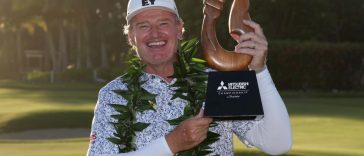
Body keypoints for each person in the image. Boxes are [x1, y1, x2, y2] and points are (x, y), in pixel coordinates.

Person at [87, 0, 292, 155]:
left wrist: (260, 71)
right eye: (143, 26)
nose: (155, 34)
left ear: (179, 29)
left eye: (163, 23)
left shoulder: (218, 83)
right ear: (131, 36)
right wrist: (171, 144)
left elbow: (277, 143)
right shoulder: (112, 96)